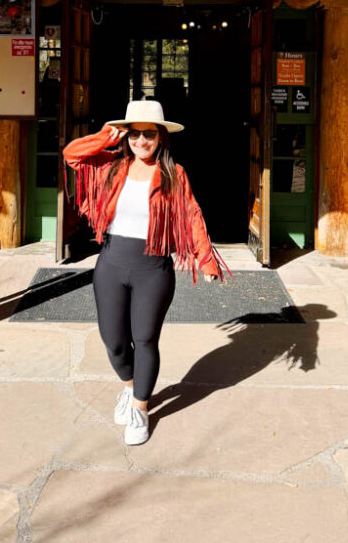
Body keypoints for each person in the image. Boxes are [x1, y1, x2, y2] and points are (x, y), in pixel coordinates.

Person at [62, 99, 231, 445]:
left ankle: (140, 408)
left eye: (149, 134)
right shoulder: (111, 165)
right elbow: (72, 155)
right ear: (126, 135)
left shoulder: (173, 173)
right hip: (110, 262)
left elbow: (192, 215)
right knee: (114, 343)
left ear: (161, 137)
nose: (141, 141)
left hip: (152, 269)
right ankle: (130, 386)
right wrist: (107, 137)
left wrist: (206, 258)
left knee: (145, 340)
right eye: (134, 133)